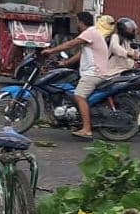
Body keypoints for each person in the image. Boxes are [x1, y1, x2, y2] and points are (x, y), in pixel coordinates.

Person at [41, 11, 115, 139]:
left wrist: (50, 50)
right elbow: (81, 54)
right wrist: (65, 63)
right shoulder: (92, 34)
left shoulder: (90, 32)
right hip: (92, 72)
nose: (76, 24)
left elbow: (70, 44)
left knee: (79, 96)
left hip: (94, 73)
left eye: (77, 21)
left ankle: (86, 129)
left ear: (81, 22)